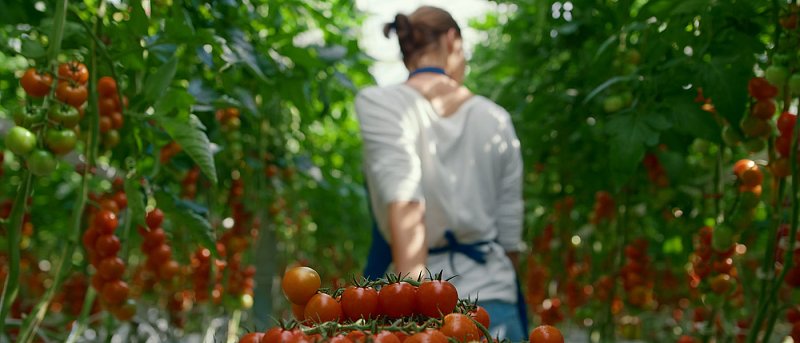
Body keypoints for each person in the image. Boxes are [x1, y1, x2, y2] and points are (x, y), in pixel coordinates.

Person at [354, 6, 527, 340]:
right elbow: (509, 235)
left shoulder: (380, 104)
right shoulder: (496, 119)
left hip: (419, 297)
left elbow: (404, 200)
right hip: (493, 299)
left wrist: (412, 315)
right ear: (452, 40)